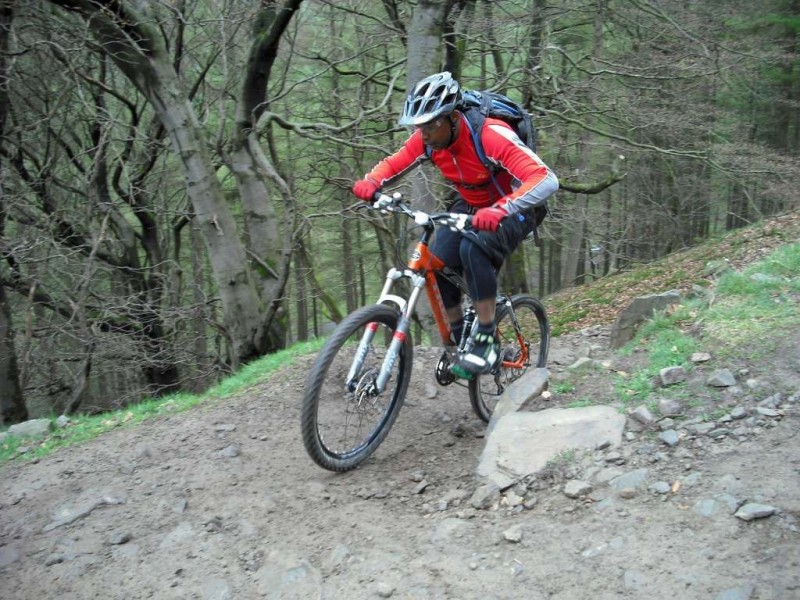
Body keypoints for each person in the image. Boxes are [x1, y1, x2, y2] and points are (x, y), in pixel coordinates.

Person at [352, 71, 559, 378]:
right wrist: (371, 182)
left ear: (452, 118)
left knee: (474, 249)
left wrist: (502, 208)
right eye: (418, 127)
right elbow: (395, 161)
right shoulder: (427, 140)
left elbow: (545, 179)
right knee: (436, 261)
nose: (423, 134)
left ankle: (486, 341)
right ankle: (461, 339)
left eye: (430, 125)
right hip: (473, 204)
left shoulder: (490, 134)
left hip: (517, 205)